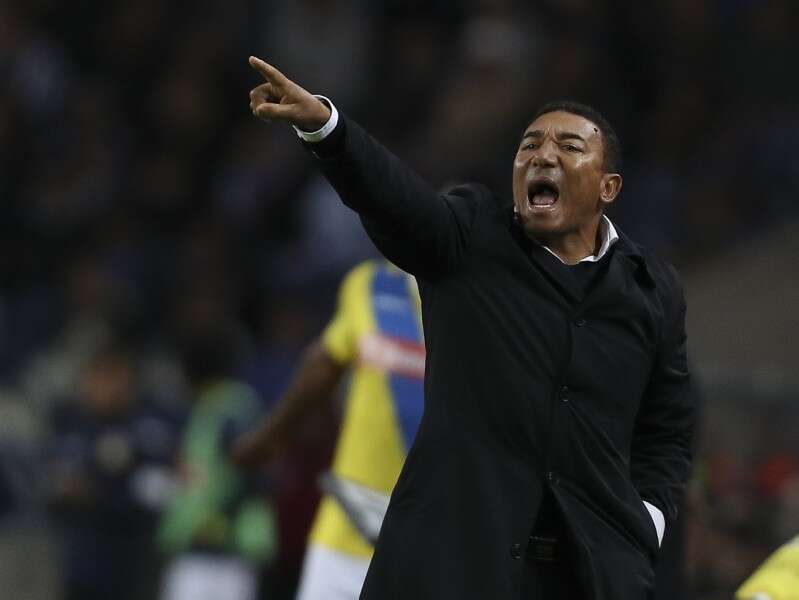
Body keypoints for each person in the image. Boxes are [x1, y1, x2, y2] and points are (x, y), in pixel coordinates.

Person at [246, 55, 693, 600]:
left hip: (583, 578)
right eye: (530, 145)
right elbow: (396, 199)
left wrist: (648, 519)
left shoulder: (652, 290)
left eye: (569, 146)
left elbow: (667, 427)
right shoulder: (471, 238)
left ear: (608, 187)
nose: (543, 155)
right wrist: (327, 128)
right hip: (452, 566)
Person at [232, 259, 424, 600]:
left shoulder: (485, 297)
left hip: (430, 546)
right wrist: (269, 438)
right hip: (345, 535)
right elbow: (324, 363)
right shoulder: (370, 283)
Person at [157, 322, 277, 600]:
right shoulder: (212, 406)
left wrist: (220, 519)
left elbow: (254, 472)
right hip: (202, 550)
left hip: (224, 552)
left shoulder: (232, 410)